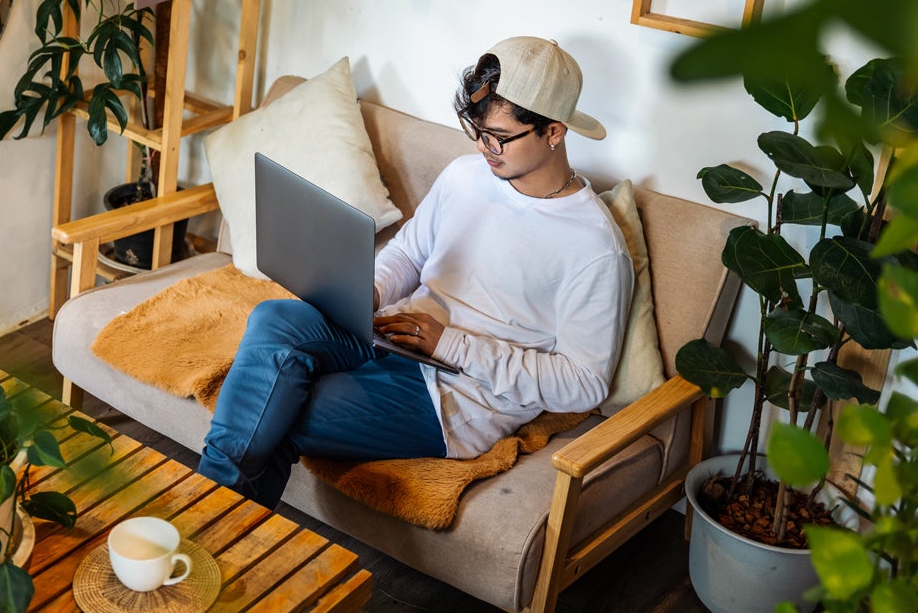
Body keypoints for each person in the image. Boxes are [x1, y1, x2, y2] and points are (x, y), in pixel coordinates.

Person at [198, 36, 635, 508]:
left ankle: (202, 516)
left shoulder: (594, 246)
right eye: (476, 130)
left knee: (276, 410)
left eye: (498, 136)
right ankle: (206, 522)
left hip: (456, 397)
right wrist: (368, 293)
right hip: (392, 333)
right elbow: (408, 252)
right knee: (274, 318)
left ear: (553, 132)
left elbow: (583, 383)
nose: (484, 147)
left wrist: (451, 344)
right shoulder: (465, 176)